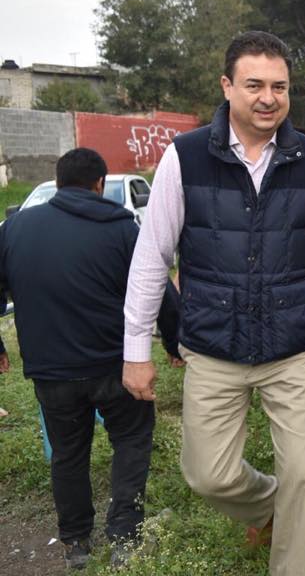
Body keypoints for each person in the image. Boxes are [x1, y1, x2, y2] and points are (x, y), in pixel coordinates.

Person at [122, 31, 305, 576]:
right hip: (214, 345)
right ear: (227, 86)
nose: (268, 98)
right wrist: (135, 349)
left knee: (303, 476)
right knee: (207, 474)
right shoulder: (185, 157)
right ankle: (268, 506)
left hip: (292, 348)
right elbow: (151, 258)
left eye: (279, 87)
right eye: (254, 85)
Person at [0, 148, 181, 570]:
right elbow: (159, 289)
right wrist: (175, 344)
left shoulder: (15, 228)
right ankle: (125, 537)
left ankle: (76, 543)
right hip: (117, 366)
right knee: (131, 441)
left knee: (67, 453)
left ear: (58, 182)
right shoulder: (123, 229)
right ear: (100, 184)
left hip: (51, 371)